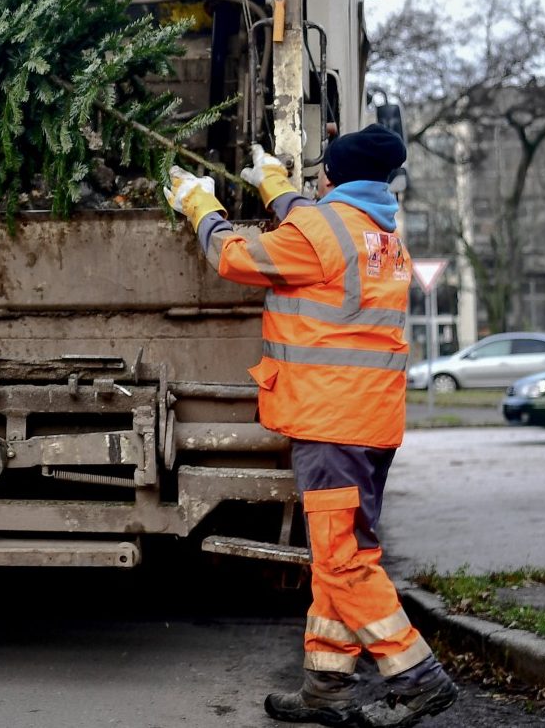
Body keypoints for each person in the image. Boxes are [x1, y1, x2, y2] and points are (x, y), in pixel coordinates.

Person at [165, 125, 458, 728]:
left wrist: (199, 202)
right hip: (369, 424)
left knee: (344, 560)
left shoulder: (321, 232)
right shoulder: (380, 233)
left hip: (331, 426)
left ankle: (418, 677)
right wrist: (273, 181)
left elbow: (234, 256)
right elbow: (310, 218)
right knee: (339, 554)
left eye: (321, 172)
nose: (316, 180)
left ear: (335, 179)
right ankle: (327, 686)